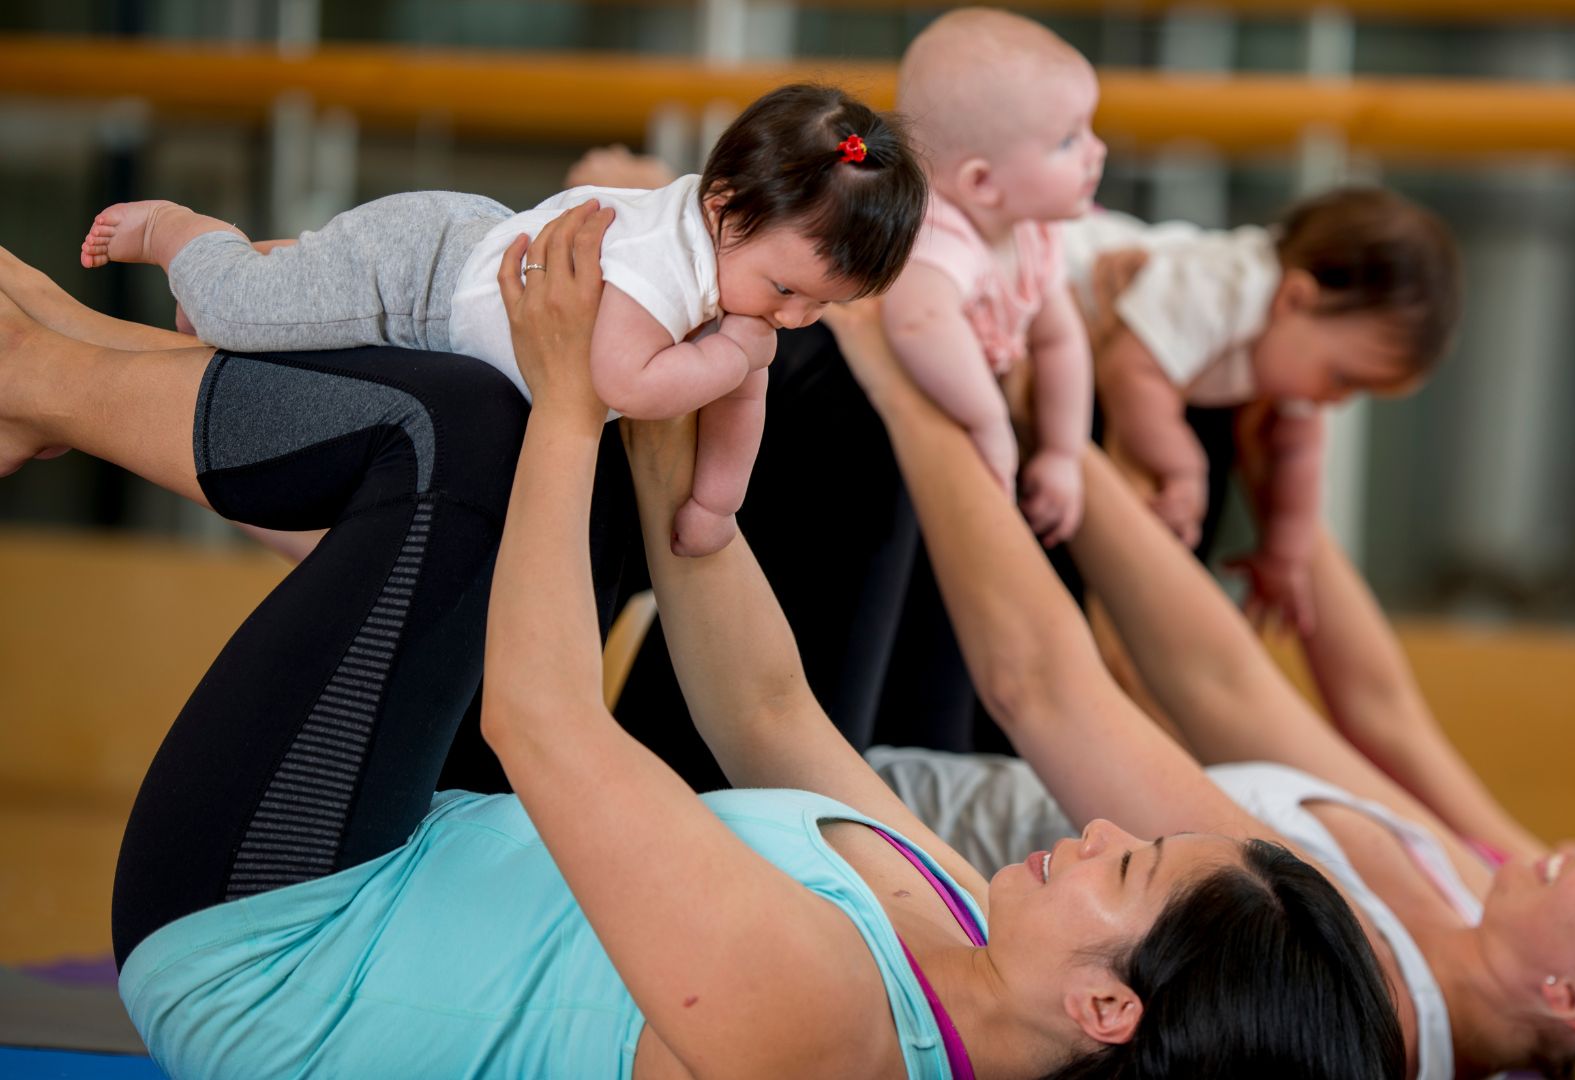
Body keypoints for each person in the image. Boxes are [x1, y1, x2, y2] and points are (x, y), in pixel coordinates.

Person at [0, 213, 1406, 1078]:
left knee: (466, 443)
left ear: (1106, 1008)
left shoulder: (828, 1030)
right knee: (552, 446)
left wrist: (573, 401)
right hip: (413, 852)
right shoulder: (966, 930)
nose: (1096, 832)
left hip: (272, 944)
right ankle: (65, 349)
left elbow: (544, 724)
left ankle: (35, 373)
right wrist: (668, 417)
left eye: (1131, 869)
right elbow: (768, 711)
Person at [822, 299, 1575, 1080]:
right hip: (913, 757)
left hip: (857, 816)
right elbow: (1230, 687)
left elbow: (1045, 689)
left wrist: (928, 384)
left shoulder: (1342, 980)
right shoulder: (1467, 897)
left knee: (838, 372)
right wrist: (1057, 430)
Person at [78, 83, 926, 557]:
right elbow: (622, 380)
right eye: (787, 290)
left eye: (824, 304)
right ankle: (179, 233)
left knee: (291, 312)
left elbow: (741, 401)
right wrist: (737, 355)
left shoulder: (735, 272)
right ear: (723, 206)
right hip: (420, 274)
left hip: (472, 261)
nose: (797, 319)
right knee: (241, 311)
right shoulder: (666, 269)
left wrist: (715, 504)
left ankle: (264, 267)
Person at [1065, 187, 1460, 632]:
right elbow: (1129, 371)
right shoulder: (1225, 289)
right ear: (1294, 298)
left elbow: (1300, 454)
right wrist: (1181, 467)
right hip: (1054, 271)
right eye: (1341, 378)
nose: (1337, 400)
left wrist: (1285, 555)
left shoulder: (1295, 341)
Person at [882, 8, 1104, 547]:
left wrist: (1063, 452)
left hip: (947, 408)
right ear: (981, 183)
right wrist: (989, 420)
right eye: (1068, 141)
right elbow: (918, 323)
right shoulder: (939, 231)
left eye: (1089, 129)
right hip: (873, 413)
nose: (1096, 152)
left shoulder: (1032, 231)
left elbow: (1059, 340)